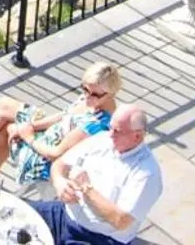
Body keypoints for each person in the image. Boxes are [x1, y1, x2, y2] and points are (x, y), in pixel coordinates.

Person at [0, 63, 121, 188]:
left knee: (6, 128)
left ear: (111, 93)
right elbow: (63, 115)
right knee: (5, 106)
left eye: (94, 94)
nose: (87, 96)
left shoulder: (97, 124)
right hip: (49, 134)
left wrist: (28, 136)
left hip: (45, 158)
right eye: (85, 89)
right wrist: (32, 126)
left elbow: (55, 154)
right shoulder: (92, 99)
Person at [32, 104, 161, 245]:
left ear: (137, 136)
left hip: (98, 237)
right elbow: (60, 164)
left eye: (117, 131)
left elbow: (121, 221)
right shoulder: (102, 139)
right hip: (64, 214)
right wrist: (60, 182)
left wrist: (87, 189)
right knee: (14, 215)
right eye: (111, 127)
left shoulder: (147, 173)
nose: (110, 134)